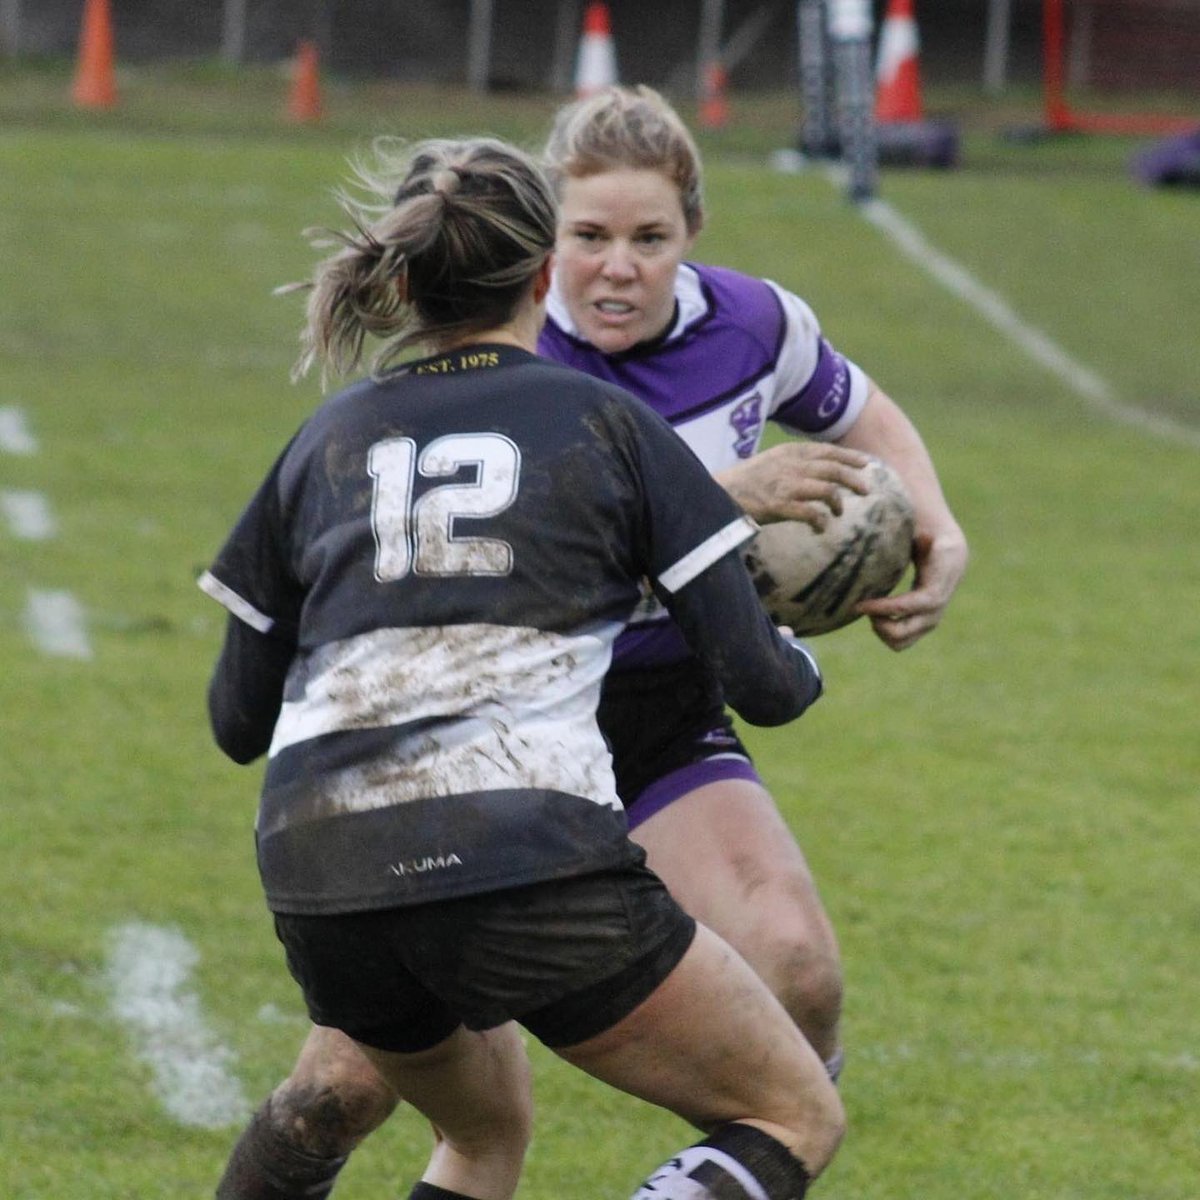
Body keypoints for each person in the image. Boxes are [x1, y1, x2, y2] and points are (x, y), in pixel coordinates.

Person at [212, 87, 969, 1198]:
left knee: (763, 982)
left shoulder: (333, 429)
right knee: (779, 1115)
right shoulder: (587, 413)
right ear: (540, 265)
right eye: (589, 239)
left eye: (648, 239)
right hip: (517, 788)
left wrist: (931, 523)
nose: (616, 266)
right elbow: (761, 676)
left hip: (391, 799)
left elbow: (237, 718)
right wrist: (728, 525)